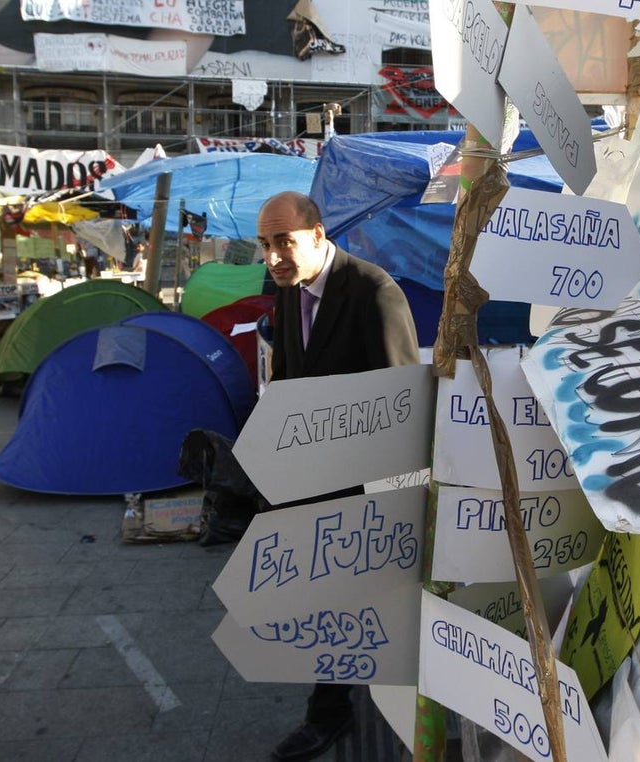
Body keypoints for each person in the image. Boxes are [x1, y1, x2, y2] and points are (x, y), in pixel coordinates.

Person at [256, 190, 419, 762]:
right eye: (265, 244)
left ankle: (329, 712)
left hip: (362, 491)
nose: (273, 256)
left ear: (319, 235)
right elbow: (287, 379)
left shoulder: (374, 292)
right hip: (308, 483)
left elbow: (402, 405)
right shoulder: (289, 288)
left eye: (284, 242)